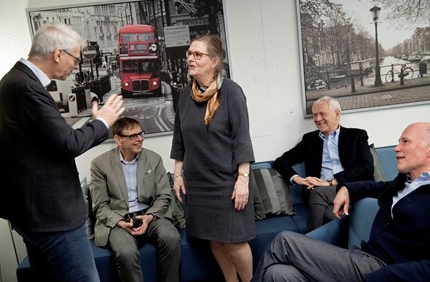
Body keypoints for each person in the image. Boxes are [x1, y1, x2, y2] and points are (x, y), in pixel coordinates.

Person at [0, 23, 124, 282]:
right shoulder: (26, 87)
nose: (77, 66)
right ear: (58, 53)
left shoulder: (14, 81)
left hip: (31, 213)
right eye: (76, 58)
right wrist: (103, 121)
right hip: (52, 215)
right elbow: (69, 143)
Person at [252, 122, 430, 282]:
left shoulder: (355, 135)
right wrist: (347, 188)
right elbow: (377, 186)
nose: (396, 148)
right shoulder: (406, 181)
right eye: (398, 141)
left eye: (405, 141)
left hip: (383, 269)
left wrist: (379, 277)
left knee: (284, 241)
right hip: (364, 257)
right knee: (277, 274)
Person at [170, 34, 255, 282]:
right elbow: (179, 139)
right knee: (215, 240)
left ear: (214, 60)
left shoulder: (231, 92)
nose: (190, 59)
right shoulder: (185, 95)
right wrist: (177, 174)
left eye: (198, 54)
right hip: (198, 184)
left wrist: (243, 180)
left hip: (227, 183)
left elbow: (242, 138)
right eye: (189, 53)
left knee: (234, 243)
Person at [90, 117, 180, 282]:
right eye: (133, 136)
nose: (140, 139)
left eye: (140, 134)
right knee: (125, 252)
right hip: (119, 220)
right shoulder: (100, 164)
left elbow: (164, 196)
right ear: (118, 139)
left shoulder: (154, 159)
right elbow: (100, 206)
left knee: (171, 237)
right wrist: (120, 222)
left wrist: (149, 217)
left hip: (150, 215)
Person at [274, 96, 374, 231]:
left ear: (337, 114)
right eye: (314, 115)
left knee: (321, 198)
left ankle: (308, 247)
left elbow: (367, 168)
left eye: (322, 114)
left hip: (351, 187)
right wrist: (299, 180)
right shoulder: (310, 140)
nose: (317, 119)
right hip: (320, 193)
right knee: (328, 213)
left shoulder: (357, 136)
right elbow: (281, 161)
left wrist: (331, 182)